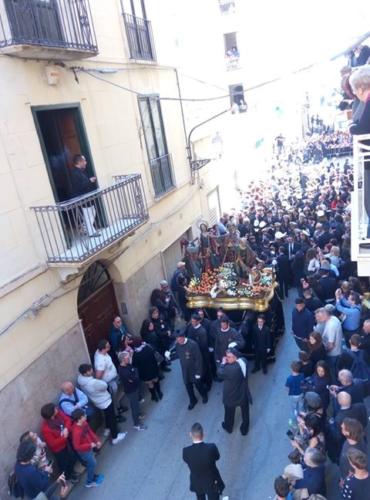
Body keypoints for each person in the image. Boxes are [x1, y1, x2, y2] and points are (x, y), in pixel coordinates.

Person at [77, 363, 127, 443]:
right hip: (105, 401)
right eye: (90, 370)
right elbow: (105, 386)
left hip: (97, 401)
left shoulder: (80, 380)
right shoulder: (93, 382)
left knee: (107, 415)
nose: (92, 371)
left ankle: (107, 429)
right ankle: (115, 436)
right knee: (112, 418)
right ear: (86, 373)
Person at [182, 422, 225, 500]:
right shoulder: (211, 447)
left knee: (200, 498)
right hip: (211, 481)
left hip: (197, 482)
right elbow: (217, 457)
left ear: (190, 434)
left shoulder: (186, 451)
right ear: (203, 435)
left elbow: (186, 460)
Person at [217, 348, 252, 435]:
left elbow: (219, 373)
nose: (227, 358)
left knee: (229, 413)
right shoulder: (243, 361)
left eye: (229, 357)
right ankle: (245, 428)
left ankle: (228, 427)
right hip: (243, 393)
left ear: (235, 357)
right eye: (226, 356)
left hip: (231, 396)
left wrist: (222, 363)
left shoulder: (229, 369)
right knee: (245, 412)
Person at [40, 403, 77, 483]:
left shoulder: (58, 413)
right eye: (55, 409)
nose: (57, 408)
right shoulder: (45, 429)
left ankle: (71, 472)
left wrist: (66, 429)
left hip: (66, 442)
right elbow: (52, 443)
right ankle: (67, 477)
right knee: (64, 463)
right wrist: (64, 437)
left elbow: (67, 420)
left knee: (71, 458)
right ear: (51, 414)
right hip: (59, 449)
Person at [71, 408, 104, 488]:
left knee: (91, 463)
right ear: (79, 419)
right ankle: (89, 482)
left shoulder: (84, 423)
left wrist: (96, 441)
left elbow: (90, 432)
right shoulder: (76, 432)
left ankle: (92, 476)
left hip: (89, 447)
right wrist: (89, 445)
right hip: (84, 451)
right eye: (84, 415)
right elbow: (76, 446)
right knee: (92, 463)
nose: (86, 416)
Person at [175, 330, 208, 410]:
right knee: (188, 386)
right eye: (177, 339)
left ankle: (204, 395)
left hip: (194, 370)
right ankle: (193, 400)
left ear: (183, 337)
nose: (178, 341)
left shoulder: (192, 344)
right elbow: (178, 355)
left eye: (179, 339)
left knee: (198, 385)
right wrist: (169, 356)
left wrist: (198, 372)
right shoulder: (177, 345)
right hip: (185, 371)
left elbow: (198, 359)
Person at [69, 154, 99, 237]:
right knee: (88, 215)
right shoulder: (75, 173)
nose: (86, 162)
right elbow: (79, 186)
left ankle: (84, 227)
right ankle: (91, 232)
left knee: (92, 212)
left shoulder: (80, 171)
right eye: (84, 161)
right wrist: (89, 181)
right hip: (82, 198)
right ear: (79, 162)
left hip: (87, 198)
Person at [118, 351, 147, 431]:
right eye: (127, 358)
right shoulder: (124, 372)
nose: (129, 358)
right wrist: (134, 373)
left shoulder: (127, 365)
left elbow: (134, 371)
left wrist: (134, 373)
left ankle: (138, 416)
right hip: (131, 391)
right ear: (123, 359)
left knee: (136, 405)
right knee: (135, 407)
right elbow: (134, 378)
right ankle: (137, 424)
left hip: (134, 388)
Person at [186, 313, 212, 390]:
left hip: (202, 354)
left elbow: (203, 345)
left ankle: (208, 383)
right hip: (194, 353)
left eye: (194, 321)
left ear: (198, 321)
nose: (192, 322)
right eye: (192, 321)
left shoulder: (202, 331)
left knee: (205, 368)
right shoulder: (191, 328)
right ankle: (203, 381)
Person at [132, 337, 162, 402]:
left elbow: (134, 364)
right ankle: (159, 393)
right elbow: (154, 354)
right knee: (156, 380)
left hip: (144, 373)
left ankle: (154, 396)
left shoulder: (135, 354)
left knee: (150, 384)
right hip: (153, 368)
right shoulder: (147, 348)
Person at [339, 418, 367, 482]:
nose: (341, 426)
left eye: (343, 428)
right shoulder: (358, 438)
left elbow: (352, 471)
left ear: (348, 433)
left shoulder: (353, 452)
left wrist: (344, 480)